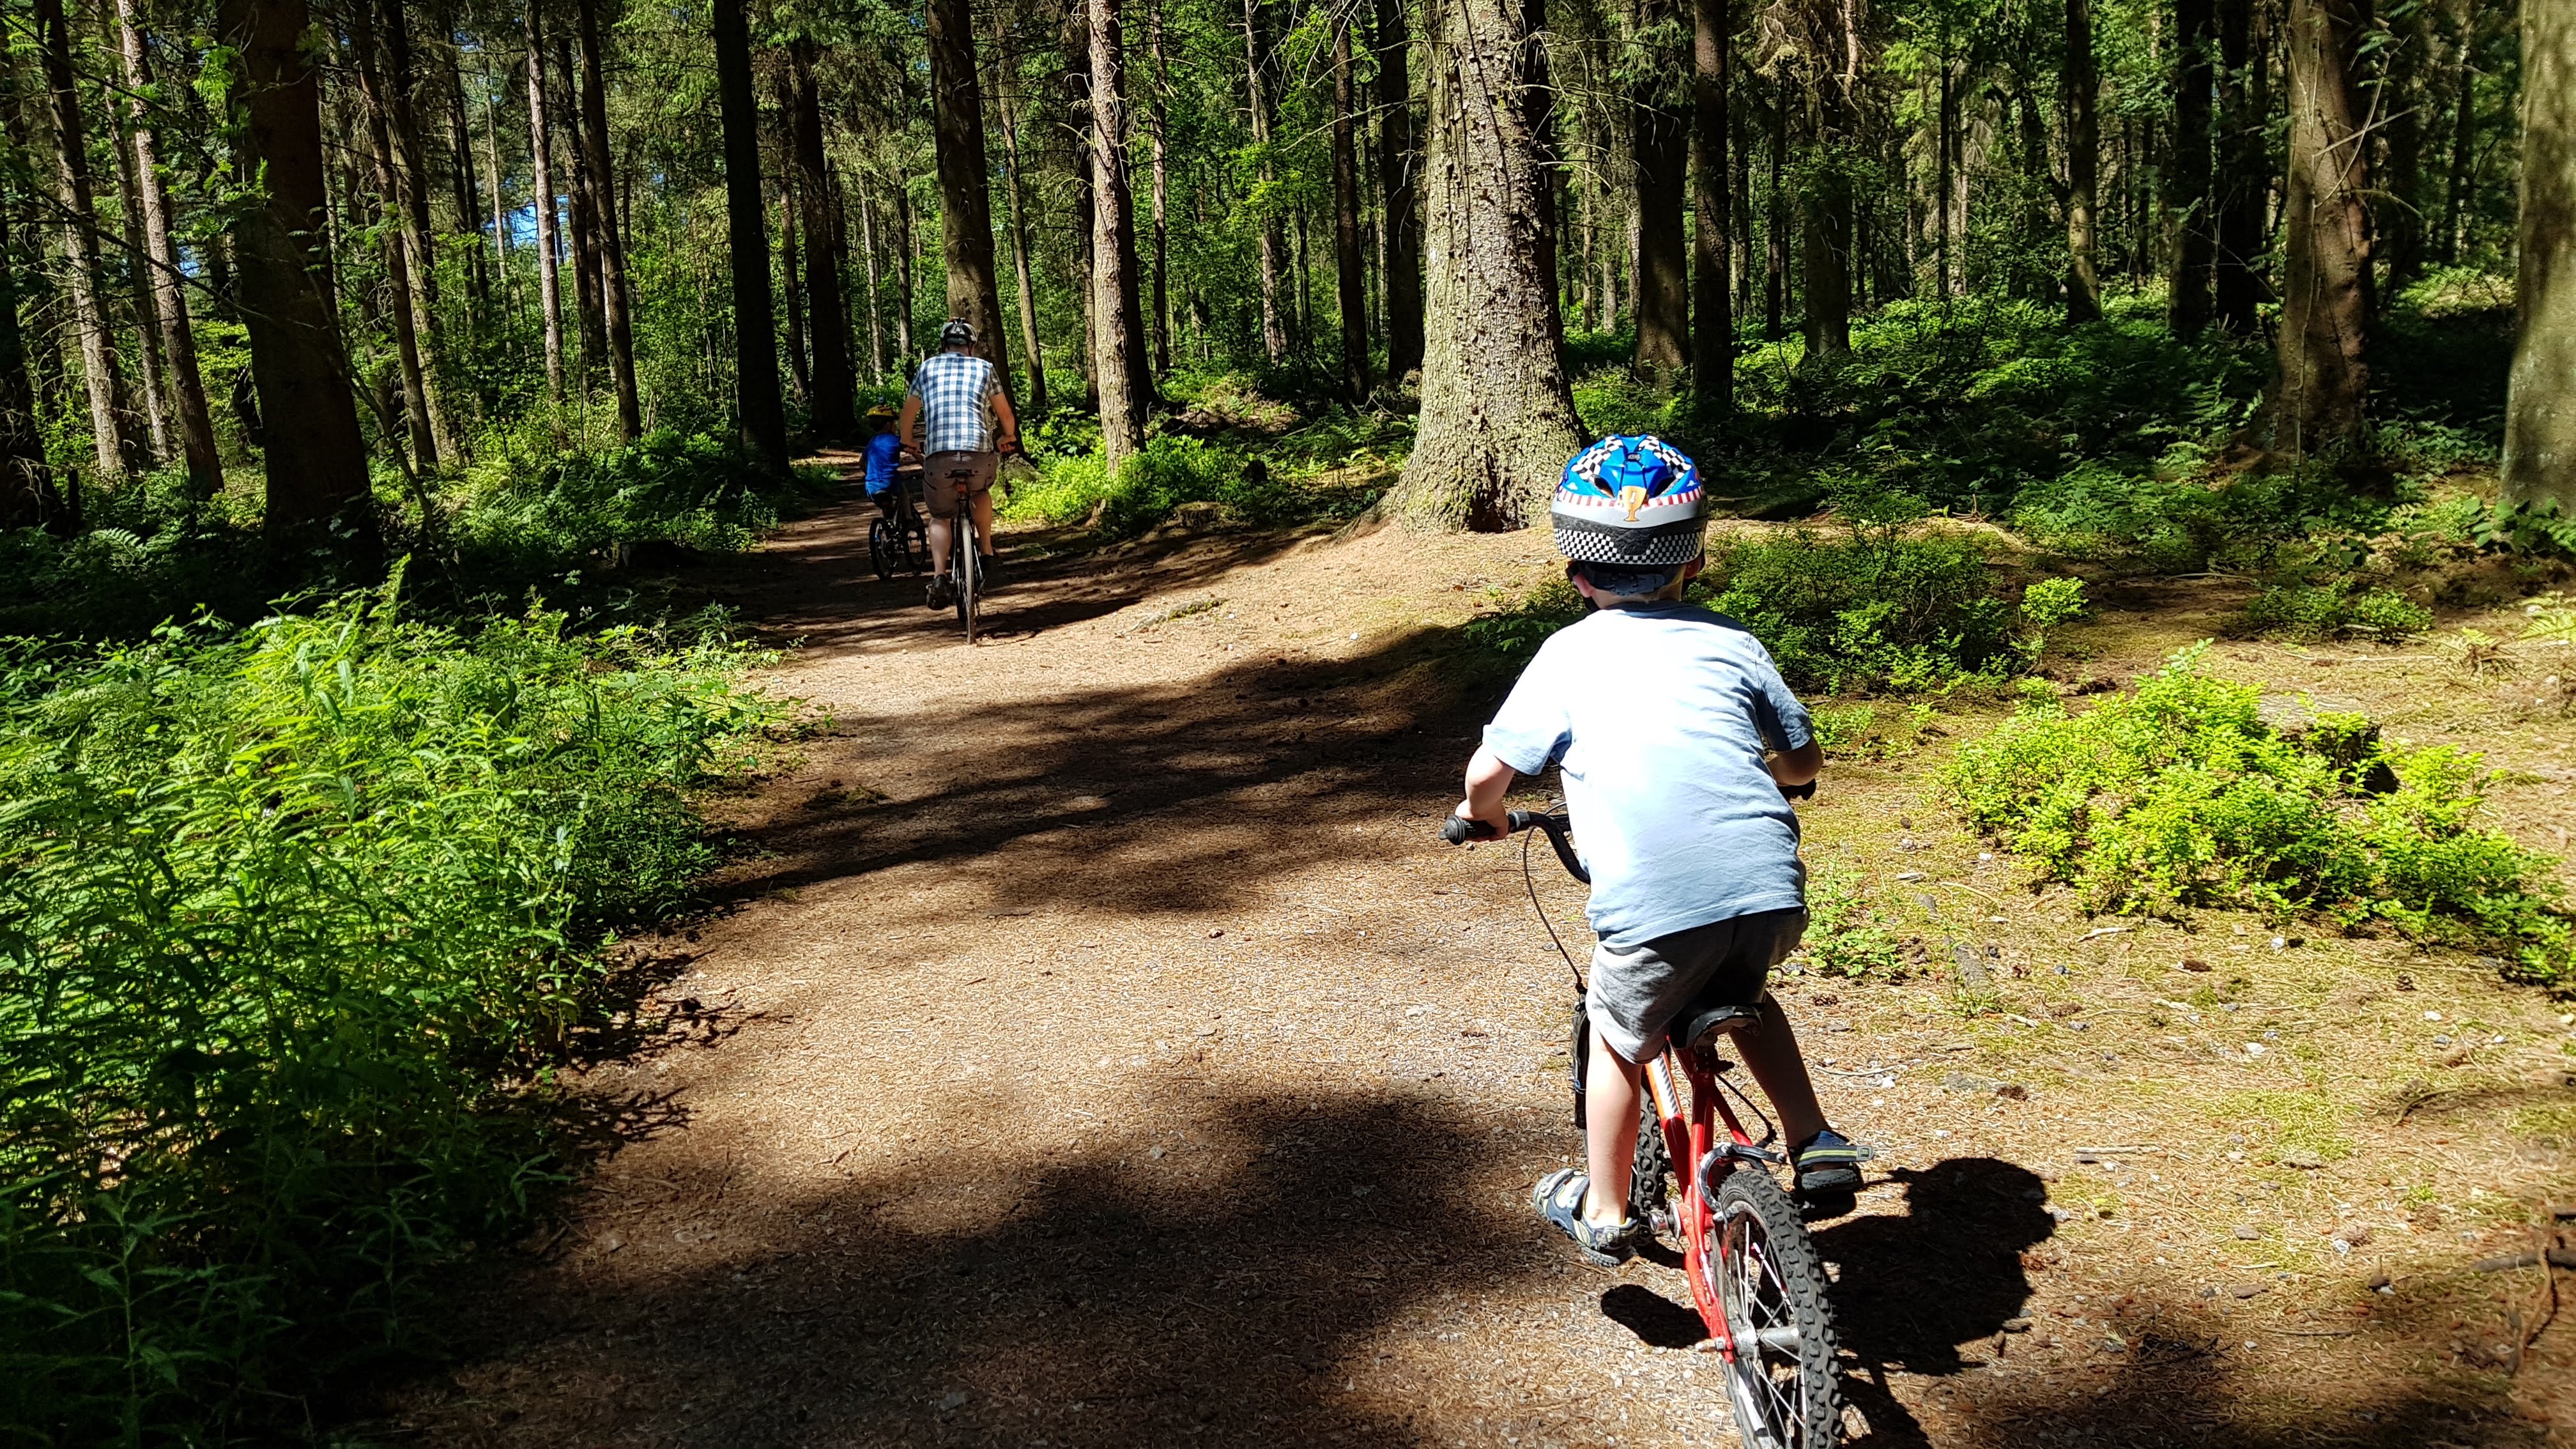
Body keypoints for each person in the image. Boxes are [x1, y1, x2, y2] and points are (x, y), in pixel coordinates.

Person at [1452, 433, 1862, 1268]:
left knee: (1616, 1036)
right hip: (1769, 892)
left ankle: (1606, 1212)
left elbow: (1490, 770)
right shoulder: (1733, 644)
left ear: (1575, 572)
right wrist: (1792, 784)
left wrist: (1480, 813)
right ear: (1697, 560)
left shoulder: (1567, 655)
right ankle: (1815, 1139)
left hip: (1656, 908)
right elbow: (1804, 758)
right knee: (1745, 994)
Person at [897, 319, 1020, 610]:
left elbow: (908, 414)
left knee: (940, 514)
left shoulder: (927, 368)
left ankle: (940, 576)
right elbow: (1005, 414)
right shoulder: (984, 368)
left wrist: (908, 441)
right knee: (979, 492)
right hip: (977, 451)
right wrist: (1009, 436)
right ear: (971, 346)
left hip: (939, 455)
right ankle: (987, 551)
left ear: (944, 346)